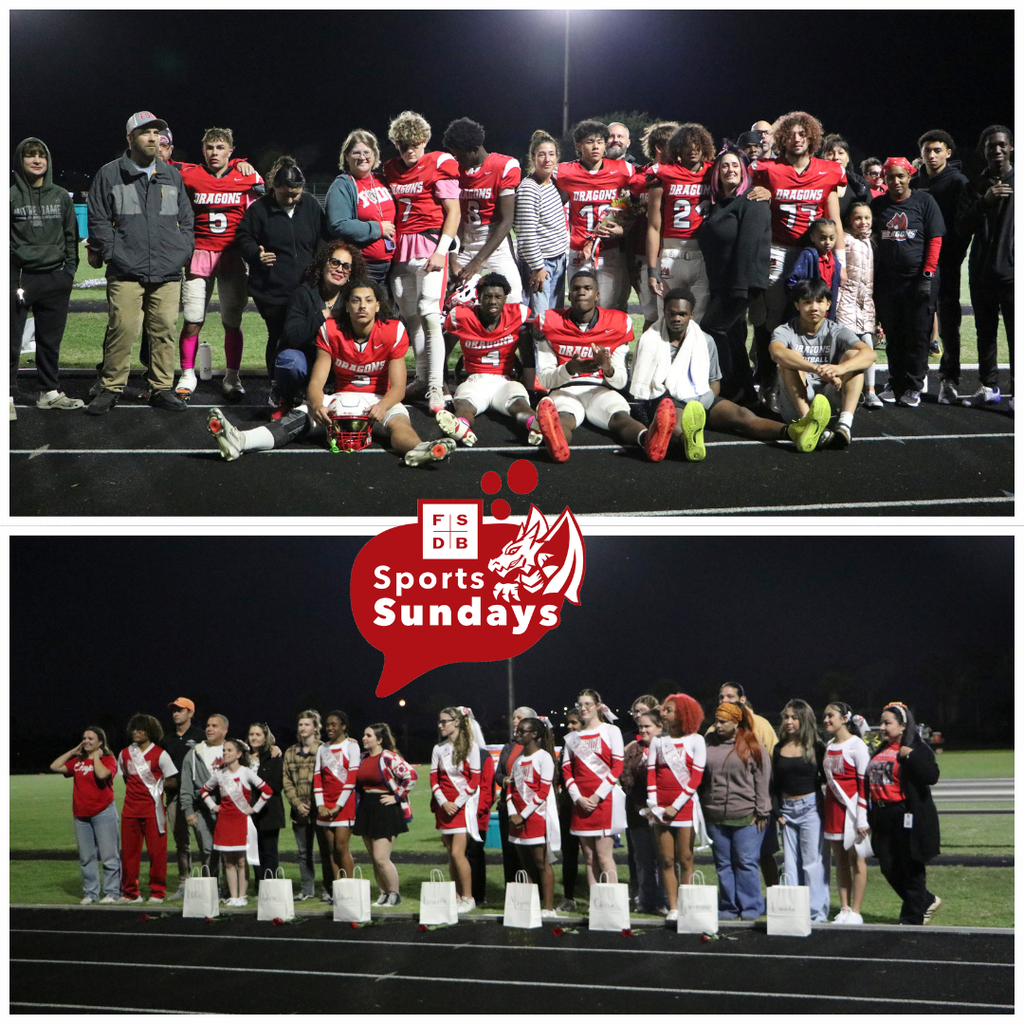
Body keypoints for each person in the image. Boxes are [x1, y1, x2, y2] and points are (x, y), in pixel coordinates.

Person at [208, 275, 455, 467]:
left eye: (369, 300)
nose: (362, 306)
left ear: (378, 306)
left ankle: (421, 449)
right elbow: (317, 381)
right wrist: (316, 405)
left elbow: (399, 387)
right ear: (346, 305)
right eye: (356, 300)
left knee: (400, 424)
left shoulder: (393, 330)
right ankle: (240, 440)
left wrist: (383, 406)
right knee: (294, 421)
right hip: (340, 396)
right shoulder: (331, 329)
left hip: (381, 398)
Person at [85, 111, 194, 415]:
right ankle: (110, 388)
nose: (152, 138)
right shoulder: (109, 174)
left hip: (167, 270)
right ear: (130, 138)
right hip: (126, 269)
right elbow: (98, 220)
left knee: (164, 330)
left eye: (156, 132)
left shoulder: (171, 175)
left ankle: (161, 387)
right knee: (122, 328)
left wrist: (182, 250)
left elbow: (185, 219)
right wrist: (114, 252)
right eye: (145, 132)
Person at [631, 288, 801, 459]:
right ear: (664, 312)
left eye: (682, 314)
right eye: (672, 313)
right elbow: (642, 384)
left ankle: (794, 431)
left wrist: (699, 403)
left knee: (742, 415)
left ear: (691, 314)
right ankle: (690, 441)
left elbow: (714, 385)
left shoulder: (705, 341)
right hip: (667, 401)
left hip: (700, 397)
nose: (676, 318)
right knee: (675, 424)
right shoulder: (649, 341)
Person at [533, 269, 676, 463]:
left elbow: (620, 382)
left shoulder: (616, 323)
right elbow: (544, 378)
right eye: (575, 289)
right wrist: (570, 369)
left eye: (587, 288)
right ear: (569, 295)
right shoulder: (550, 322)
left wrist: (608, 367)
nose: (581, 292)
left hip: (601, 388)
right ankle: (557, 443)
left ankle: (649, 439)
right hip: (565, 389)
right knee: (563, 417)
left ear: (597, 295)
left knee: (620, 417)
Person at [173, 127, 263, 402]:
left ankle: (232, 376)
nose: (215, 153)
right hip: (198, 254)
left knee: (232, 322)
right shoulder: (190, 175)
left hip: (232, 256)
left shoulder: (245, 175)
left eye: (220, 147)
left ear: (230, 151)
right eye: (210, 147)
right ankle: (187, 374)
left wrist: (240, 164)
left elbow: (266, 196)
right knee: (192, 321)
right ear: (203, 150)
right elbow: (166, 163)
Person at [382, 110, 461, 412]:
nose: (409, 150)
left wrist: (442, 250)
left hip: (429, 244)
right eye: (403, 145)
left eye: (414, 143)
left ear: (425, 140)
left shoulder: (440, 162)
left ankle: (436, 388)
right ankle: (422, 378)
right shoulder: (390, 167)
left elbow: (452, 212)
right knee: (411, 315)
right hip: (400, 247)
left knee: (430, 314)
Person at [236, 156, 326, 387]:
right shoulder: (258, 210)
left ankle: (307, 386)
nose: (291, 198)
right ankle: (276, 386)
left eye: (295, 193)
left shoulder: (311, 205)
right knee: (280, 336)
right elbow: (243, 238)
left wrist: (319, 267)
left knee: (311, 335)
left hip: (307, 288)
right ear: (273, 187)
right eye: (285, 194)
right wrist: (256, 254)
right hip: (272, 289)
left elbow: (323, 238)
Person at [754, 111, 846, 336]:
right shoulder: (767, 168)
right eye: (791, 134)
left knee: (810, 311)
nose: (796, 138)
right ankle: (768, 366)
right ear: (782, 138)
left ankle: (802, 367)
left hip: (812, 252)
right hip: (777, 248)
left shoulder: (828, 170)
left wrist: (840, 262)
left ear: (812, 137)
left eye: (802, 134)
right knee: (773, 313)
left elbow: (835, 220)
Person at [10, 137, 81, 417]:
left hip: (55, 278)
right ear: (20, 160)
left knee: (49, 342)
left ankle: (48, 392)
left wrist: (69, 273)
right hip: (18, 278)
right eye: (30, 155)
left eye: (41, 155)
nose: (37, 160)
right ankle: (7, 396)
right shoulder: (9, 196)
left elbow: (71, 237)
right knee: (10, 342)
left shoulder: (61, 196)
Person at [697, 144, 771, 404]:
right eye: (725, 166)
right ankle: (744, 393)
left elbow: (748, 247)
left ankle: (729, 383)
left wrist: (740, 288)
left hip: (741, 283)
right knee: (733, 335)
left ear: (744, 172)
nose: (730, 170)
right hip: (722, 282)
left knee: (711, 328)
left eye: (735, 166)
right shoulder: (719, 205)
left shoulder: (752, 200)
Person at [871, 157, 945, 407]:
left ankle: (914, 384)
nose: (895, 181)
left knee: (917, 335)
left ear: (910, 176)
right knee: (894, 335)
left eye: (900, 176)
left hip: (918, 280)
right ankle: (895, 381)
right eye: (890, 176)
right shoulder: (878, 204)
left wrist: (927, 275)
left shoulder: (925, 201)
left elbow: (935, 239)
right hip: (888, 282)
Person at [770, 278, 877, 448]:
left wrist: (841, 368)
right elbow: (777, 352)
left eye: (820, 301)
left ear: (828, 305)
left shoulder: (837, 330)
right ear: (797, 305)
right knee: (789, 358)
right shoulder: (785, 330)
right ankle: (808, 423)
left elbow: (870, 355)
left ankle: (844, 424)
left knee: (854, 357)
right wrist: (815, 369)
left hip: (829, 397)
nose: (814, 307)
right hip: (797, 403)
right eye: (807, 302)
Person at [437, 273, 539, 447]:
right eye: (488, 296)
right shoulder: (462, 317)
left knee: (521, 406)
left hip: (505, 380)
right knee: (465, 406)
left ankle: (537, 427)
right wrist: (445, 392)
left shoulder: (516, 315)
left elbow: (528, 358)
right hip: (475, 380)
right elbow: (440, 356)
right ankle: (461, 427)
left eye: (498, 297)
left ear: (505, 298)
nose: (493, 301)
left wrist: (530, 389)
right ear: (479, 297)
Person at [868, 702, 942, 926]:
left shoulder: (917, 748)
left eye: (887, 723)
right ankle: (926, 900)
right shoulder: (880, 749)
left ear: (902, 726)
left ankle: (911, 920)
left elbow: (932, 775)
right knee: (888, 868)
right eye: (881, 722)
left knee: (910, 868)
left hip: (904, 814)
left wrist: (910, 756)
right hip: (881, 815)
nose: (882, 727)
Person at [910, 131, 972, 400]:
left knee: (948, 323)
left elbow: (964, 226)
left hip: (946, 264)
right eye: (927, 150)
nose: (931, 155)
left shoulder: (959, 182)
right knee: (918, 321)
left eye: (937, 150)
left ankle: (949, 378)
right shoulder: (913, 182)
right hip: (917, 265)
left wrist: (952, 258)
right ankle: (917, 376)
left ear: (948, 152)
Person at [957, 125, 1014, 408]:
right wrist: (985, 201)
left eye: (1002, 144)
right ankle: (989, 386)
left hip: (1014, 275)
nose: (998, 149)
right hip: (981, 273)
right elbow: (961, 228)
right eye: (991, 145)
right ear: (984, 151)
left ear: (1012, 147)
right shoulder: (974, 186)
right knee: (985, 334)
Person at [556, 120, 639, 313]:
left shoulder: (622, 170)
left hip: (609, 251)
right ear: (578, 145)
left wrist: (625, 228)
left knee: (607, 309)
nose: (595, 146)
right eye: (589, 141)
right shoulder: (565, 172)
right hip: (579, 251)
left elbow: (641, 202)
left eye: (600, 142)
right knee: (580, 306)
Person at [700, 701, 770, 920]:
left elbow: (762, 777)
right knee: (723, 864)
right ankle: (729, 907)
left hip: (747, 816)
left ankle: (751, 907)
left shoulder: (751, 743)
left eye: (723, 722)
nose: (717, 726)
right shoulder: (707, 742)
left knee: (746, 862)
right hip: (715, 816)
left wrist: (762, 810)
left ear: (735, 722)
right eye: (716, 720)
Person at [443, 117, 522, 302]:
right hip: (464, 241)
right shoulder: (454, 167)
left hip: (494, 241)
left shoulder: (503, 166)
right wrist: (453, 258)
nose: (458, 160)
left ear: (474, 149)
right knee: (452, 298)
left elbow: (507, 221)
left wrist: (477, 261)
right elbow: (455, 218)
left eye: (461, 155)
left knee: (512, 297)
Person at [645, 122, 715, 322]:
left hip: (703, 253)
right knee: (668, 318)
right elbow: (653, 225)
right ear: (677, 148)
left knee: (698, 322)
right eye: (686, 145)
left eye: (696, 144)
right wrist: (652, 268)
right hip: (671, 252)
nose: (692, 149)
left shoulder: (714, 172)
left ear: (704, 146)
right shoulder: (663, 173)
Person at [647, 693, 707, 921]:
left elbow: (696, 778)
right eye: (664, 709)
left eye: (669, 710)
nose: (663, 713)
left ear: (683, 713)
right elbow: (652, 773)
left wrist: (675, 806)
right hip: (660, 808)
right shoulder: (658, 741)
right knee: (666, 859)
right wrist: (654, 805)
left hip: (684, 807)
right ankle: (673, 907)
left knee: (685, 858)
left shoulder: (696, 740)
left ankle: (688, 905)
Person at [561, 688, 625, 887]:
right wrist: (578, 798)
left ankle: (613, 904)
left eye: (588, 704)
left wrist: (597, 797)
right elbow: (566, 771)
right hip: (581, 803)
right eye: (580, 704)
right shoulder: (572, 738)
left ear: (598, 706)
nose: (583, 708)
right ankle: (596, 906)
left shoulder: (611, 731)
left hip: (604, 801)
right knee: (588, 858)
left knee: (604, 857)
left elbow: (617, 767)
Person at [772, 700, 828, 923]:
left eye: (794, 717)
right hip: (786, 810)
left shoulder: (817, 747)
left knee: (812, 862)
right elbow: (775, 785)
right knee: (790, 862)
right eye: (786, 717)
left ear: (804, 720)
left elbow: (827, 779)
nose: (789, 721)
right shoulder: (778, 748)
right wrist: (777, 811)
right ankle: (791, 911)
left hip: (810, 807)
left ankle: (816, 913)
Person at [50, 726, 120, 904]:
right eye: (84, 738)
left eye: (91, 738)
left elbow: (103, 774)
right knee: (86, 857)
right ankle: (91, 893)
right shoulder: (78, 762)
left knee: (109, 855)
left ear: (100, 742)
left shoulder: (108, 759)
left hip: (103, 812)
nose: (86, 741)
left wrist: (96, 757)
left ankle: (112, 892)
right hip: (81, 816)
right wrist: (72, 752)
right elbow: (54, 766)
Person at [200, 738, 273, 907]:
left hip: (241, 821)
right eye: (224, 750)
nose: (225, 753)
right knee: (228, 861)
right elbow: (204, 790)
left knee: (241, 861)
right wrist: (213, 806)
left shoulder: (246, 772)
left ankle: (242, 896)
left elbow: (267, 791)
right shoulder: (220, 774)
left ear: (239, 754)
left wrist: (254, 809)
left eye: (229, 750)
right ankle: (233, 897)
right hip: (224, 822)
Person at [354, 722, 418, 906]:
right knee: (374, 858)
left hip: (385, 808)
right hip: (367, 807)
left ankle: (394, 894)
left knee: (381, 858)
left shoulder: (388, 757)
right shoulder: (362, 757)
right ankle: (383, 893)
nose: (364, 738)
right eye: (364, 735)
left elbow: (411, 775)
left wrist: (397, 796)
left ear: (380, 739)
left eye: (369, 735)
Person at [117, 713, 178, 904]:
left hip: (154, 812)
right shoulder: (125, 753)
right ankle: (130, 893)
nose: (136, 732)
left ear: (150, 731)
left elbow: (173, 780)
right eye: (134, 728)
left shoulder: (160, 754)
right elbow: (127, 778)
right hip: (130, 811)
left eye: (141, 728)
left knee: (157, 854)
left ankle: (157, 892)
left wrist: (158, 786)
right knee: (129, 854)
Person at [514, 130, 570, 333]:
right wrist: (538, 267)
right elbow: (526, 235)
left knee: (554, 321)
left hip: (557, 260)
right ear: (532, 158)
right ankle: (537, 366)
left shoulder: (553, 184)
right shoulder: (529, 188)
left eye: (552, 154)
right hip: (540, 264)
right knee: (540, 323)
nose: (548, 159)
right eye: (542, 154)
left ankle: (552, 364)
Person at [326, 129, 397, 286]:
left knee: (389, 310)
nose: (362, 157)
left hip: (392, 265)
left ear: (374, 154)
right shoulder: (343, 185)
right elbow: (338, 224)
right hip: (363, 266)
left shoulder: (382, 180)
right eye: (356, 153)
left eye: (367, 152)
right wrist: (377, 229)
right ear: (346, 156)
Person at [630, 122, 681, 332]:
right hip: (644, 256)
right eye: (675, 144)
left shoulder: (685, 175)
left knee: (677, 311)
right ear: (659, 147)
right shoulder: (637, 179)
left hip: (677, 252)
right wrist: (631, 262)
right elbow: (629, 223)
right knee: (651, 317)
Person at [507, 716, 560, 916]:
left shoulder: (544, 757)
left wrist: (524, 815)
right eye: (517, 731)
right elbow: (511, 790)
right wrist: (514, 814)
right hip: (517, 818)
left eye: (522, 731)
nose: (517, 734)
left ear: (534, 734)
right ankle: (529, 905)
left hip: (536, 817)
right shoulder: (518, 760)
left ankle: (548, 907)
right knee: (526, 864)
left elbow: (544, 790)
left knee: (542, 863)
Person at [430, 707, 482, 913]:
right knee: (451, 855)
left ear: (457, 722)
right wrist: (443, 802)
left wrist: (457, 803)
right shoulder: (438, 749)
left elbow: (474, 780)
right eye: (440, 721)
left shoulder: (471, 748)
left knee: (458, 853)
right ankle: (457, 895)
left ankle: (469, 897)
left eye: (445, 721)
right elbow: (434, 779)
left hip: (463, 806)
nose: (440, 725)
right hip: (445, 807)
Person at [822, 701, 870, 925]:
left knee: (856, 860)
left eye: (831, 716)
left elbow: (864, 785)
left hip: (852, 813)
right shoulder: (829, 745)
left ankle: (857, 912)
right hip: (833, 811)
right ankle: (844, 908)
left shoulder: (857, 745)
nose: (826, 720)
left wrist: (862, 818)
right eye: (825, 716)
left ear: (844, 718)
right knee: (839, 860)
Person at [836, 201, 882, 408]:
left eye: (867, 218)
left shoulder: (870, 241)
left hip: (865, 304)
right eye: (858, 218)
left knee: (868, 345)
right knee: (846, 347)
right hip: (845, 303)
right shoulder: (844, 240)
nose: (863, 222)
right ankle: (843, 390)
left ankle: (870, 390)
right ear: (849, 220)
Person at [282, 710, 332, 902]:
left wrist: (316, 803)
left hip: (320, 811)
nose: (303, 728)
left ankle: (328, 890)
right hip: (299, 812)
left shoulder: (324, 749)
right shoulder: (290, 752)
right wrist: (296, 804)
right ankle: (307, 889)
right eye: (300, 724)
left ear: (315, 727)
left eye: (307, 724)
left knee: (326, 852)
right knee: (304, 853)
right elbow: (286, 781)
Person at [621, 706, 666, 915]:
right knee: (643, 859)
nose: (643, 730)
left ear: (660, 727)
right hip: (638, 811)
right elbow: (625, 777)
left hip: (664, 813)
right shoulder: (633, 749)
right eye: (640, 727)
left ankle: (666, 900)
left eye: (647, 726)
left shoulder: (669, 747)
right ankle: (646, 899)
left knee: (665, 859)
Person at [179, 713, 229, 892]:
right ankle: (211, 888)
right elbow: (185, 786)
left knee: (229, 852)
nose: (209, 729)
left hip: (228, 810)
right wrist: (188, 811)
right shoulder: (193, 754)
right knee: (208, 850)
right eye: (208, 725)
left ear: (225, 730)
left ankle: (231, 890)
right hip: (202, 810)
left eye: (215, 726)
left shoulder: (233, 751)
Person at [161, 697, 205, 899]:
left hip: (197, 797)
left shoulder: (200, 736)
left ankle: (209, 882)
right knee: (181, 843)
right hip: (174, 797)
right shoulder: (167, 739)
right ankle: (183, 883)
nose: (175, 713)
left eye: (180, 710)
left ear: (190, 713)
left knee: (205, 841)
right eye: (174, 710)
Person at [314, 710, 360, 891]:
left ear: (343, 726)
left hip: (344, 804)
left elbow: (352, 777)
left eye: (334, 724)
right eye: (327, 725)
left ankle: (350, 889)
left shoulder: (351, 746)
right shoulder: (322, 748)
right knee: (331, 850)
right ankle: (338, 890)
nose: (330, 728)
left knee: (342, 847)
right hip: (325, 805)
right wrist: (320, 804)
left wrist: (338, 805)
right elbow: (318, 777)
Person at [495, 706, 539, 885]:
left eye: (519, 717)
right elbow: (498, 773)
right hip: (507, 806)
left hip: (529, 808)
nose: (514, 721)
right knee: (509, 851)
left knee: (530, 854)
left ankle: (534, 892)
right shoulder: (508, 747)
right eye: (514, 717)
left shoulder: (537, 748)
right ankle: (512, 892)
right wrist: (504, 780)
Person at [247, 722, 285, 881]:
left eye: (258, 734)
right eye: (251, 734)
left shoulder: (273, 756)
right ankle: (259, 886)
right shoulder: (242, 756)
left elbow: (276, 785)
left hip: (269, 811)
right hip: (248, 811)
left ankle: (270, 886)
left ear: (265, 737)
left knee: (269, 851)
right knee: (254, 851)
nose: (254, 738)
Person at [556, 709, 584, 911]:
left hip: (589, 804)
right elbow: (560, 771)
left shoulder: (593, 742)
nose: (569, 726)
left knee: (595, 855)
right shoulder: (567, 745)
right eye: (568, 722)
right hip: (567, 804)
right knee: (569, 852)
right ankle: (569, 897)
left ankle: (601, 898)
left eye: (574, 723)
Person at [786, 219, 842, 318]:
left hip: (825, 313)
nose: (828, 242)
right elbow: (792, 280)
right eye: (823, 238)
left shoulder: (835, 263)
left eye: (832, 238)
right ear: (812, 237)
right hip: (807, 313)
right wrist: (806, 297)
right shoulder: (808, 255)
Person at [819, 134, 872, 222]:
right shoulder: (813, 184)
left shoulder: (860, 185)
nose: (836, 157)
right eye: (830, 153)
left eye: (841, 153)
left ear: (847, 158)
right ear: (822, 158)